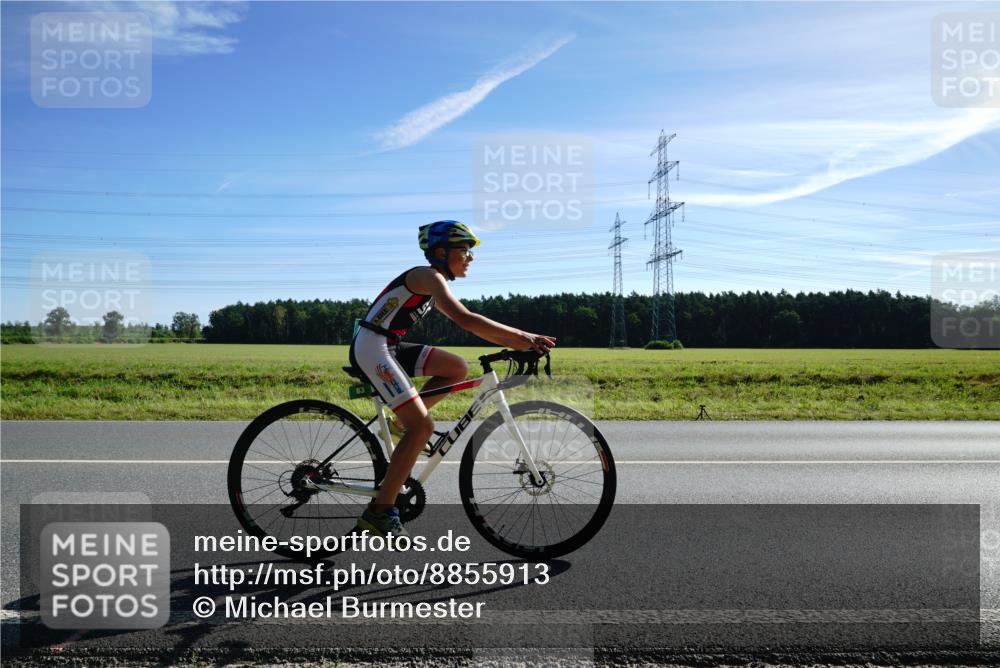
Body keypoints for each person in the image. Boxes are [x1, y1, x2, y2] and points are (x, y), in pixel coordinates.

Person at [349, 220, 556, 537]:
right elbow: (466, 320)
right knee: (424, 427)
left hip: (388, 344)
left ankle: (402, 426)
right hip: (372, 347)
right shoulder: (426, 276)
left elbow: (467, 320)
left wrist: (518, 342)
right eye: (465, 250)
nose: (471, 257)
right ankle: (379, 512)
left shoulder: (433, 281)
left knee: (457, 368)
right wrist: (522, 338)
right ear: (442, 252)